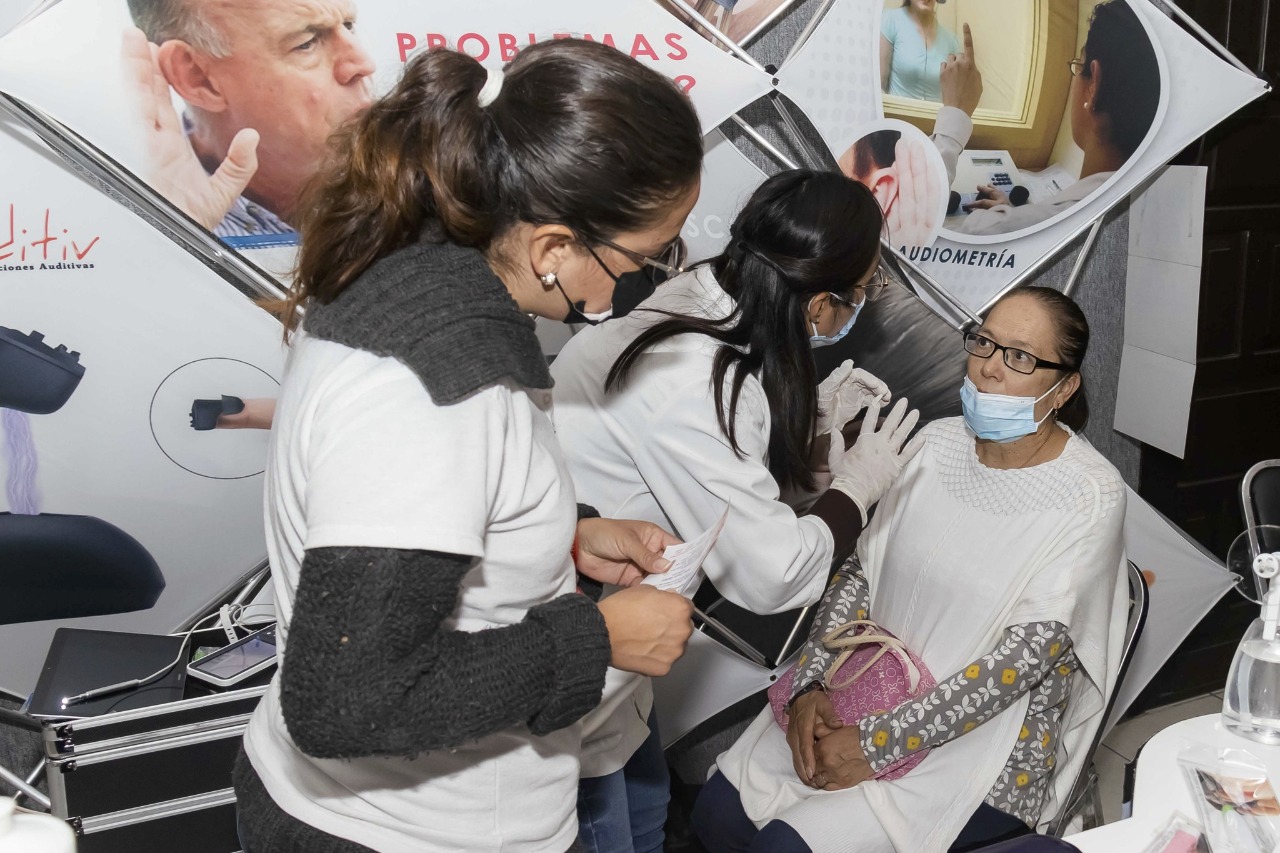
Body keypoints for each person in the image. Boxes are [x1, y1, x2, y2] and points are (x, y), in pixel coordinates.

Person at [233, 39, 706, 853]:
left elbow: (416, 517)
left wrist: (563, 535)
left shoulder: (409, 277)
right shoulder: (438, 387)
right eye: (647, 256)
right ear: (553, 248)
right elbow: (345, 700)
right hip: (398, 835)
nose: (650, 279)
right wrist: (598, 639)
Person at [551, 169, 925, 853]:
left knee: (648, 814)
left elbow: (726, 473)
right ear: (819, 304)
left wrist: (808, 432)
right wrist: (856, 488)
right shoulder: (693, 380)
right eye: (863, 292)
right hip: (575, 654)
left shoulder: (716, 290)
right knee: (614, 828)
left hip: (614, 652)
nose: (862, 306)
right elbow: (771, 574)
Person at [694, 286, 1129, 853]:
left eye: (1020, 357)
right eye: (984, 342)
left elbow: (1019, 664)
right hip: (859, 689)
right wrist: (811, 685)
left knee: (784, 848)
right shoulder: (933, 443)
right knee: (717, 816)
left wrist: (877, 744)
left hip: (979, 746)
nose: (990, 367)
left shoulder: (1090, 494)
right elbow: (860, 575)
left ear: (1064, 387)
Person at [123, 0, 376, 243]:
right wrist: (172, 245)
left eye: (349, 25)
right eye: (306, 44)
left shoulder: (393, 169)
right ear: (198, 78)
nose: (364, 64)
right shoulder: (168, 224)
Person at [955, 0, 1160, 235]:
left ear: (1093, 87)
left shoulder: (989, 229)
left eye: (1078, 64)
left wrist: (956, 110)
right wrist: (1014, 215)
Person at [881, 0, 962, 102]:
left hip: (935, 112)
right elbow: (879, 86)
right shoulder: (891, 20)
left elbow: (953, 98)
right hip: (896, 111)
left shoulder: (951, 41)